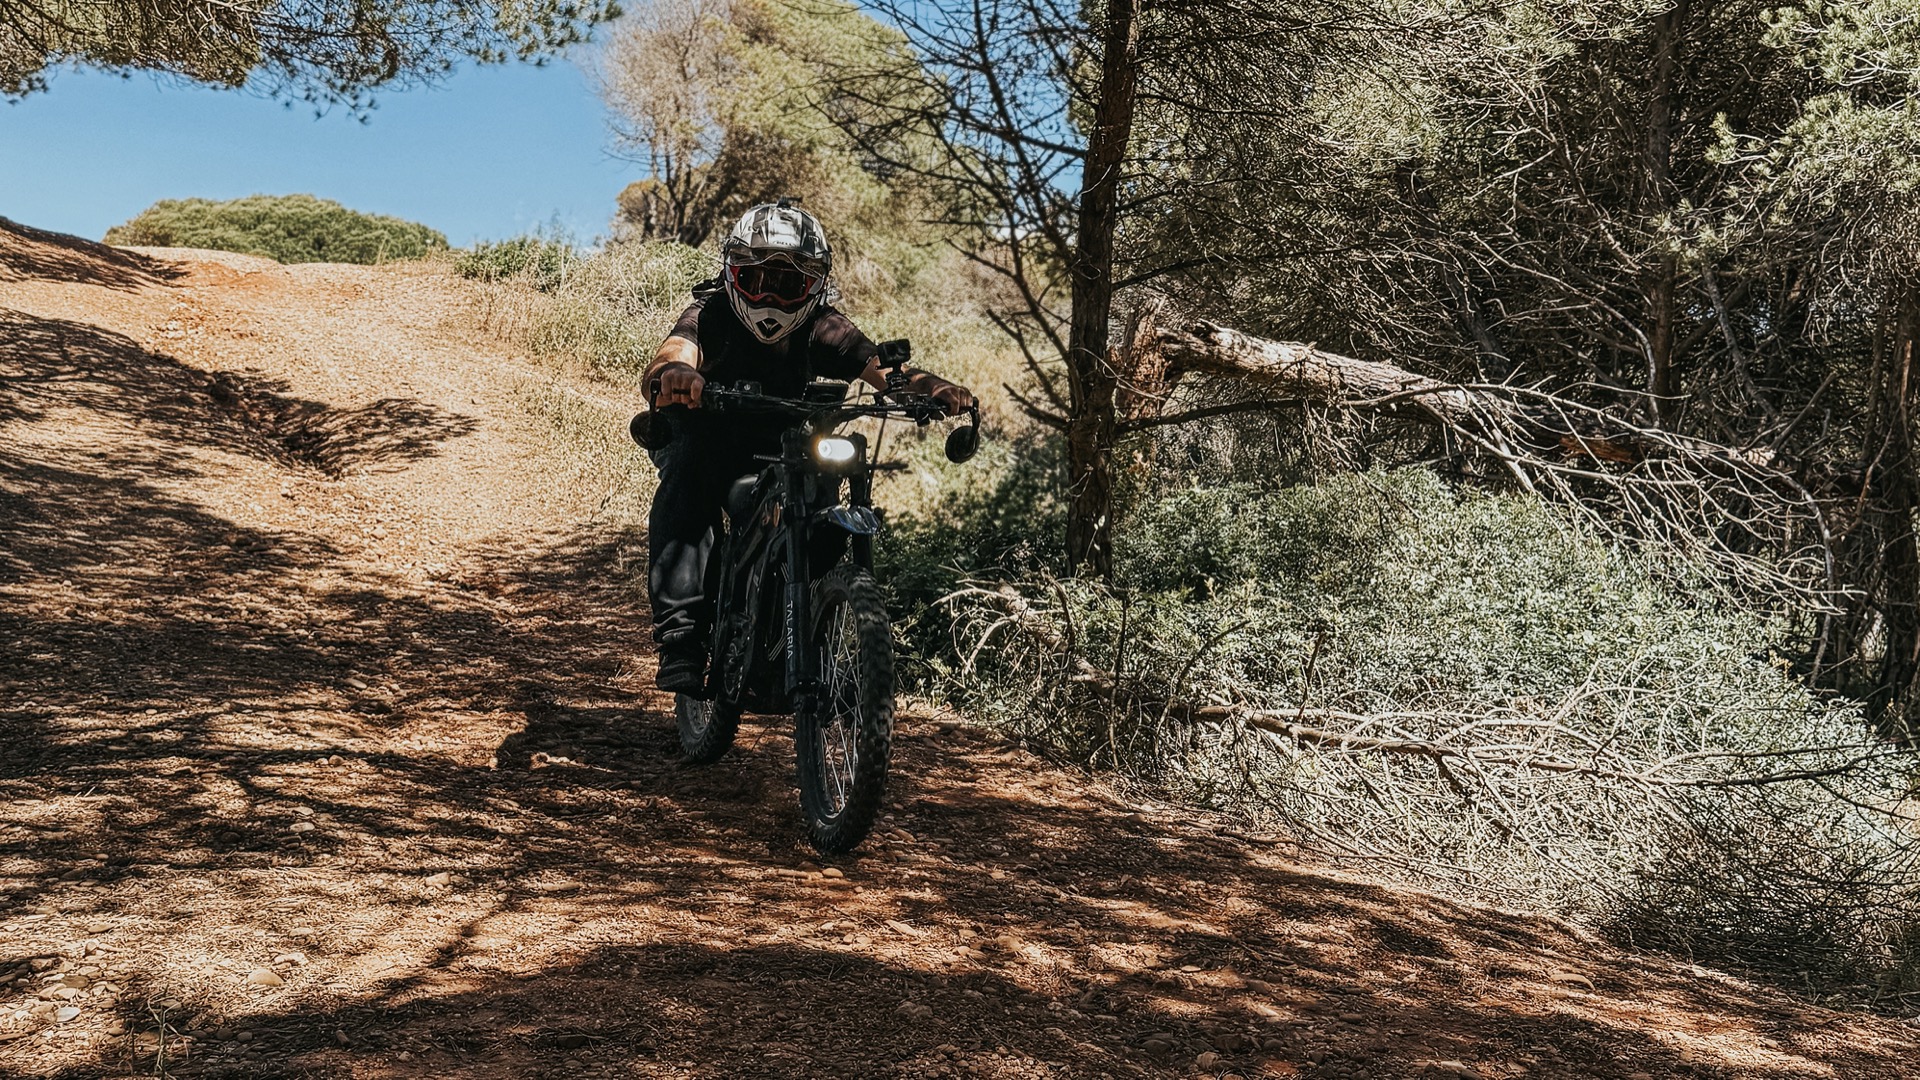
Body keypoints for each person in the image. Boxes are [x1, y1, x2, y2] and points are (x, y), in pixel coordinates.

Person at [642, 200, 975, 692]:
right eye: (756, 279)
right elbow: (672, 354)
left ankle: (799, 623)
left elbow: (885, 373)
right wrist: (675, 373)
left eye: (788, 283)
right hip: (708, 432)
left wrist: (935, 389)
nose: (770, 296)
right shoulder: (709, 315)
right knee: (688, 475)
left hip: (785, 443)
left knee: (825, 484)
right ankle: (682, 638)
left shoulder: (825, 327)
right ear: (732, 275)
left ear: (814, 287)